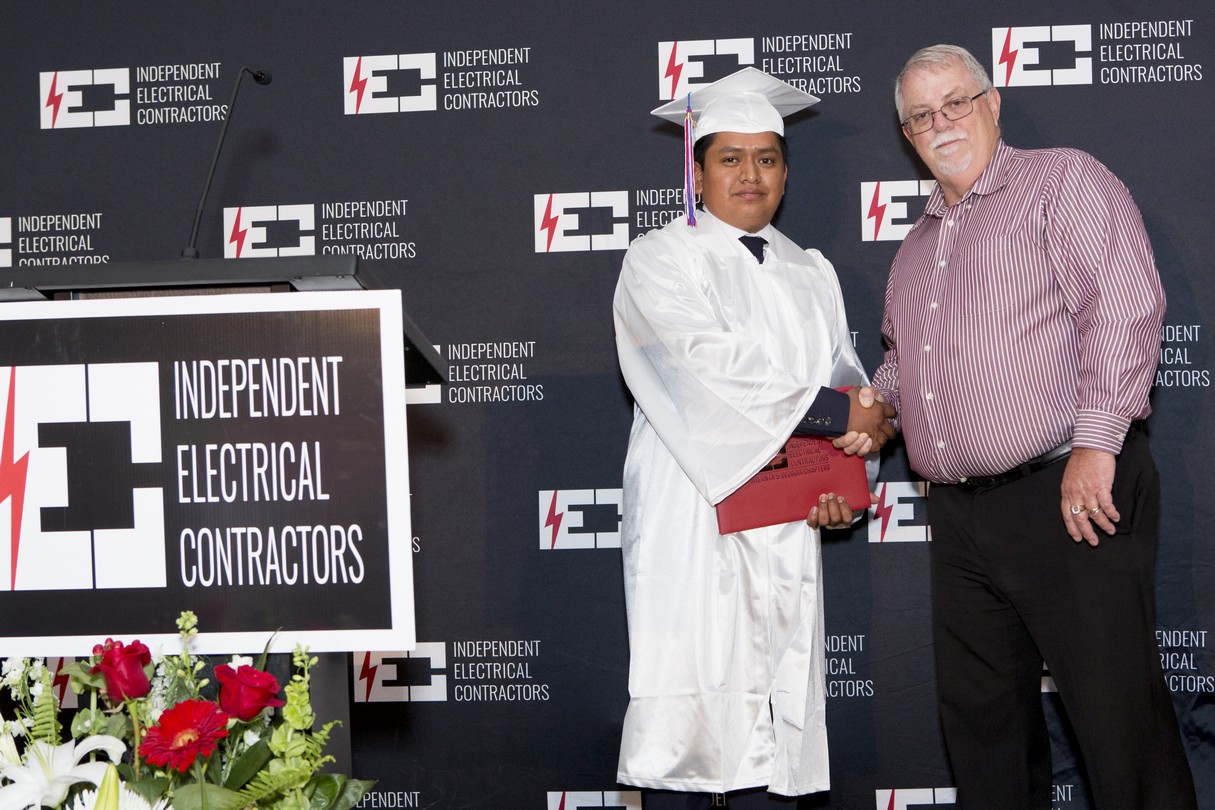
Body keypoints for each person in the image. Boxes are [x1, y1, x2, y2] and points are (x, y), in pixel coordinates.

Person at [865, 44, 1196, 808]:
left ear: (992, 103)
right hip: (960, 519)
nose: (941, 123)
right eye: (921, 116)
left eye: (955, 102)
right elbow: (903, 364)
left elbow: (1122, 306)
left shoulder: (1060, 181)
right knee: (985, 734)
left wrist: (1095, 444)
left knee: (1118, 725)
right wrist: (871, 412)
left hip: (1068, 491)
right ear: (907, 136)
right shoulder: (915, 247)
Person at [613, 68, 895, 808]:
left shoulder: (811, 271)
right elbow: (700, 370)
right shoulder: (659, 257)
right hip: (693, 512)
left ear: (785, 172)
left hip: (786, 521)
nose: (750, 174)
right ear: (697, 172)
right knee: (694, 715)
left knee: (778, 711)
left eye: (766, 158)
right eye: (730, 158)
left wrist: (851, 463)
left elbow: (846, 383)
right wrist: (837, 417)